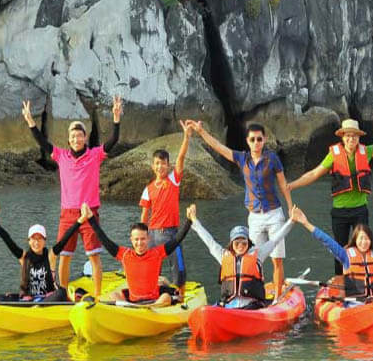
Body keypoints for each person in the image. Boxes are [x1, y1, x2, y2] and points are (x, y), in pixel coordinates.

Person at [286, 101, 373, 273]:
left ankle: (368, 275)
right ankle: (341, 280)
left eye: (354, 136)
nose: (351, 139)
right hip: (340, 212)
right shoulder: (334, 156)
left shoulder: (366, 152)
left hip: (360, 210)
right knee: (339, 250)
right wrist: (291, 186)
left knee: (365, 245)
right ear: (342, 137)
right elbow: (313, 174)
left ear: (358, 138)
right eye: (347, 136)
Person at [23, 95, 121, 296]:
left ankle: (97, 296)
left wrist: (116, 119)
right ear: (69, 139)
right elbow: (43, 142)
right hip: (68, 214)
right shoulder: (61, 155)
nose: (77, 139)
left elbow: (113, 141)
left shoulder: (94, 155)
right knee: (64, 256)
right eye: (73, 136)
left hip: (90, 213)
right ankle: (63, 294)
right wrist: (31, 123)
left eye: (80, 136)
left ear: (85, 138)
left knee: (94, 257)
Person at [187, 119, 293, 295]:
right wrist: (201, 131)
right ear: (247, 141)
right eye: (252, 139)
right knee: (252, 260)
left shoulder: (272, 158)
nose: (256, 143)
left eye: (259, 139)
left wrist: (290, 207)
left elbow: (283, 184)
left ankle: (278, 295)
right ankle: (256, 292)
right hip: (255, 216)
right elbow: (220, 148)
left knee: (277, 259)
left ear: (264, 139)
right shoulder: (242, 158)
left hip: (274, 213)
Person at [74, 202, 191, 306]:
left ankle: (145, 309)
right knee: (114, 295)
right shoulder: (125, 254)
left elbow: (176, 240)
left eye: (142, 239)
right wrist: (90, 218)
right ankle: (131, 308)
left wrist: (189, 221)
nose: (139, 243)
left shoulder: (157, 253)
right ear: (131, 240)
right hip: (132, 303)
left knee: (165, 297)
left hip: (154, 303)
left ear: (148, 239)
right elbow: (104, 239)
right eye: (136, 239)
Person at [187, 204, 297, 308]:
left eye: (244, 243)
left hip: (252, 306)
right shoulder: (223, 255)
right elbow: (208, 240)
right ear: (231, 244)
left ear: (248, 243)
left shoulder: (258, 254)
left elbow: (275, 239)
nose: (240, 246)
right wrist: (194, 220)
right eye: (237, 243)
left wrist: (291, 221)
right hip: (229, 305)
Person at [0, 201, 85, 302]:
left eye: (40, 239)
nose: (37, 242)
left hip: (48, 299)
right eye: (33, 239)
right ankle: (30, 307)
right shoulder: (24, 257)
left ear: (44, 241)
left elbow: (65, 239)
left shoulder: (50, 256)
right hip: (28, 300)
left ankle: (37, 309)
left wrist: (80, 220)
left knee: (61, 292)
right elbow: (8, 241)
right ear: (29, 241)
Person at [139, 119, 193, 286]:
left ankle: (180, 296)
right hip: (152, 234)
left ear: (168, 165)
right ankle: (149, 294)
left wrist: (186, 137)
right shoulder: (148, 188)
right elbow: (144, 215)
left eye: (163, 163)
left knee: (178, 268)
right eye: (157, 163)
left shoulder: (173, 181)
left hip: (170, 234)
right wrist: (142, 236)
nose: (160, 166)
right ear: (152, 166)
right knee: (151, 269)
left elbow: (181, 158)